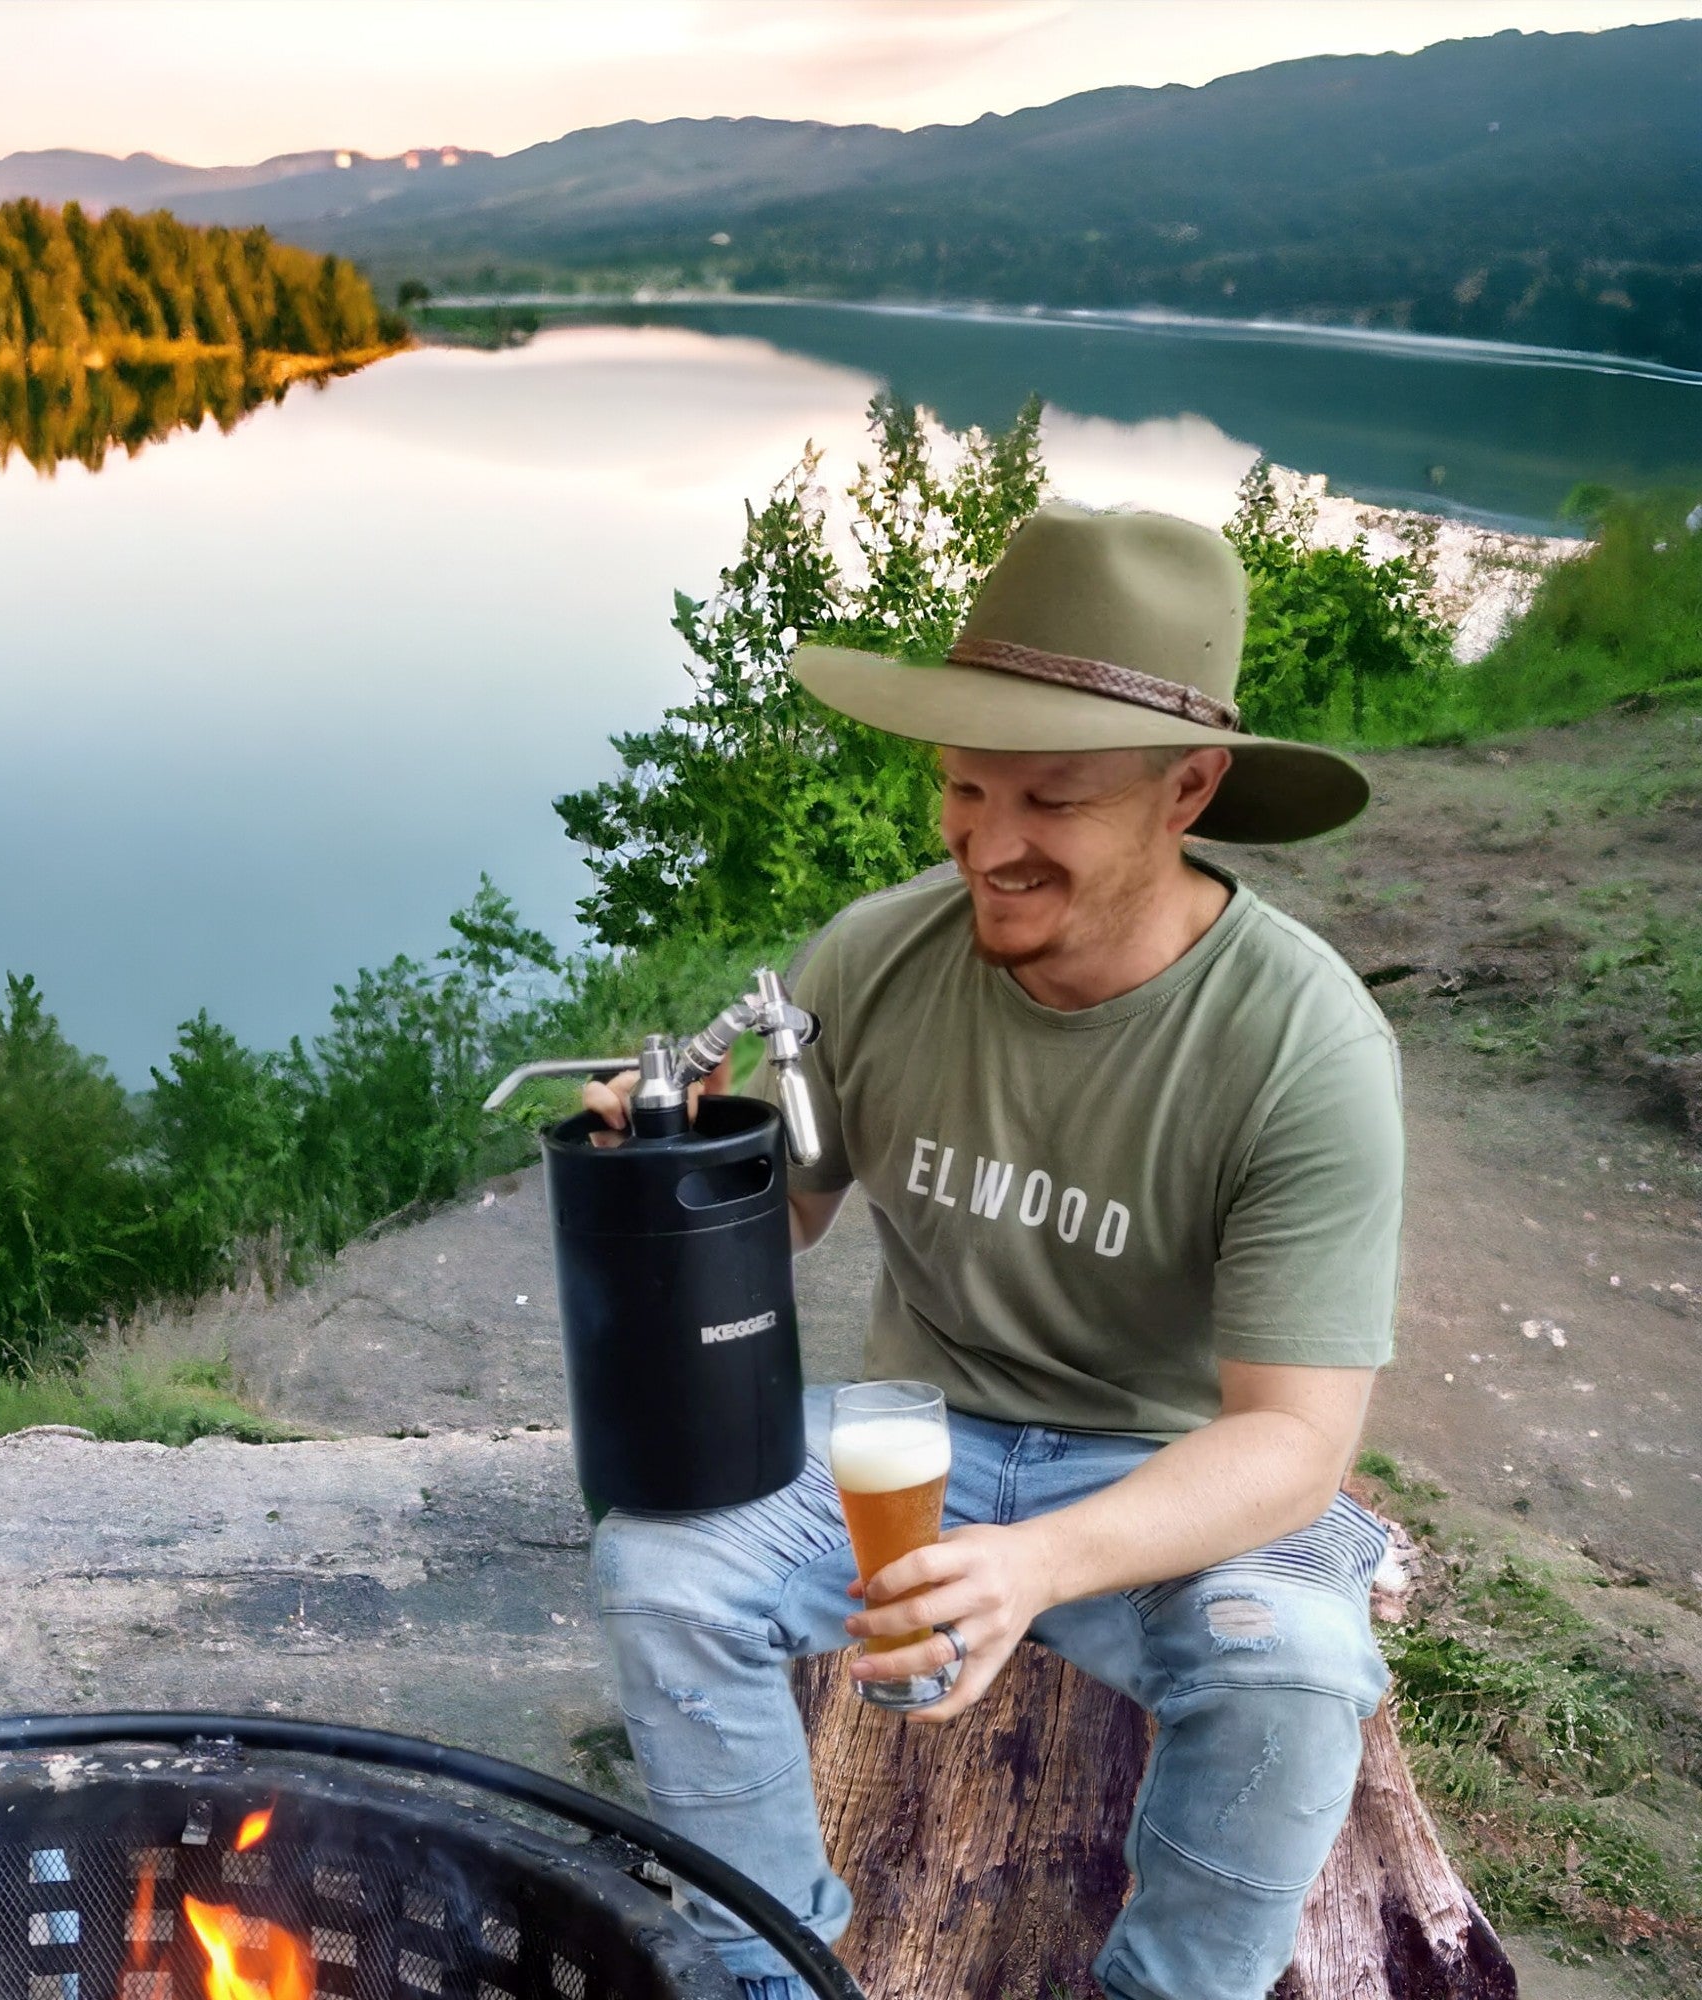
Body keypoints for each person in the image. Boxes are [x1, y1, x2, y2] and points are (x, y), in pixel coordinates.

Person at [583, 503, 1403, 2000]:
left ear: (1190, 789)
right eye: (965, 786)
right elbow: (785, 1219)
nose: (989, 842)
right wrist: (665, 1171)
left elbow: (1293, 1439)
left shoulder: (1301, 1043)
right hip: (915, 1439)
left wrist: (1031, 1566)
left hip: (1167, 1475)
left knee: (1291, 1667)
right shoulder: (875, 959)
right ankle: (775, 1967)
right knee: (663, 1569)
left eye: (1054, 800)